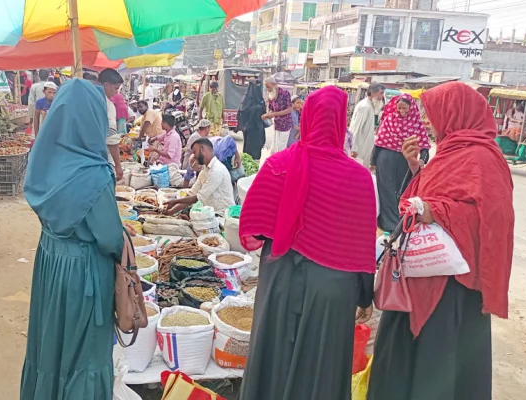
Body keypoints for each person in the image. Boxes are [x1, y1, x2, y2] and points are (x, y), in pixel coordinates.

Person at [367, 82, 514, 400]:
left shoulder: (482, 158)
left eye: (432, 112)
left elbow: (494, 219)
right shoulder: (449, 150)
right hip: (419, 278)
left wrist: (440, 212)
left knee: (438, 370)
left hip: (452, 291)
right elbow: (429, 196)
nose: (426, 119)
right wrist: (416, 169)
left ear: (455, 113)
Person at [237, 86, 376, 400]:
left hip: (281, 280)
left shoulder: (279, 165)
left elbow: (253, 225)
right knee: (320, 370)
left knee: (272, 363)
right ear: (341, 122)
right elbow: (363, 242)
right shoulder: (358, 177)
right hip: (332, 290)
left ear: (307, 118)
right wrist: (365, 297)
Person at [21, 79, 124, 400]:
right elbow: (109, 239)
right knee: (84, 354)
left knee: (51, 344)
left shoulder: (41, 162)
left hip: (51, 264)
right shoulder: (94, 172)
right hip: (84, 275)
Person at [370, 94, 430, 232]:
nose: (402, 111)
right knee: (386, 190)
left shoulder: (416, 123)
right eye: (399, 108)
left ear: (411, 108)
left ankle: (400, 221)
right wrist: (373, 161)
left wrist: (422, 160)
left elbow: (425, 146)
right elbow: (379, 142)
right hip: (386, 158)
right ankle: (387, 223)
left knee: (403, 190)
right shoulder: (389, 119)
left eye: (405, 108)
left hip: (406, 160)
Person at [165, 138, 235, 216]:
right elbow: (191, 194)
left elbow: (198, 197)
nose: (194, 156)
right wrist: (170, 212)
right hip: (210, 214)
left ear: (202, 149)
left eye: (195, 152)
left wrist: (175, 201)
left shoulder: (217, 170)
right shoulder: (205, 171)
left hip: (222, 217)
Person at [98, 68, 125, 182]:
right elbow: (112, 139)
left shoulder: (84, 100)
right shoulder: (107, 105)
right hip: (100, 157)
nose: (116, 92)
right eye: (115, 88)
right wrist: (118, 166)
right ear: (106, 85)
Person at [350, 83, 385, 166]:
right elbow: (356, 128)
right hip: (358, 150)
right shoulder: (365, 107)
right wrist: (353, 149)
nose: (382, 97)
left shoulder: (370, 106)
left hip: (364, 149)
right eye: (381, 93)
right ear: (373, 93)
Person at [237, 81, 267, 160]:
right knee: (249, 149)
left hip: (258, 128)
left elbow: (264, 112)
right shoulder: (247, 100)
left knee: (257, 148)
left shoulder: (260, 100)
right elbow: (242, 112)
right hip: (250, 128)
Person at [262, 76, 293, 153]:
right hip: (277, 124)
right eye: (266, 88)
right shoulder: (271, 96)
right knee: (274, 148)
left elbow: (290, 109)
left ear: (273, 84)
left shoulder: (285, 93)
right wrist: (267, 115)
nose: (268, 89)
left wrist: (274, 114)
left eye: (268, 87)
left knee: (281, 148)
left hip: (285, 124)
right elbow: (271, 110)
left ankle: (281, 164)